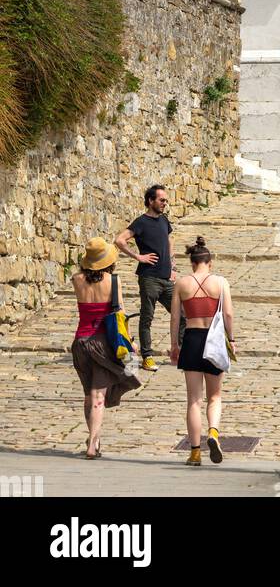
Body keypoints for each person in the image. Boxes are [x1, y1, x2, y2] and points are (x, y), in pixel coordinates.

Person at [71, 237, 141, 459]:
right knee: (98, 395)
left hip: (81, 342)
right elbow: (119, 314)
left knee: (88, 394)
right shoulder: (113, 281)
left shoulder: (76, 279)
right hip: (102, 343)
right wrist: (130, 341)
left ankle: (94, 438)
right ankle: (93, 443)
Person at [170, 235, 234, 467]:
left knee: (193, 400)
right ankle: (214, 433)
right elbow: (228, 314)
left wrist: (174, 345)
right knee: (215, 396)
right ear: (210, 262)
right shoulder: (220, 282)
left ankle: (195, 453)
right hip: (214, 341)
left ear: (192, 262)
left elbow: (176, 317)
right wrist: (232, 338)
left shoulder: (182, 284)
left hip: (192, 339)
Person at [115, 184, 184, 371]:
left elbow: (169, 241)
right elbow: (119, 240)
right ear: (150, 201)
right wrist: (138, 257)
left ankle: (181, 352)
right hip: (149, 278)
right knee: (147, 318)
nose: (165, 203)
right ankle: (147, 357)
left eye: (166, 200)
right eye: (162, 200)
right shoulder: (141, 222)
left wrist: (173, 265)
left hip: (166, 278)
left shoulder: (164, 220)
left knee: (182, 315)